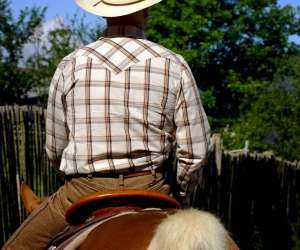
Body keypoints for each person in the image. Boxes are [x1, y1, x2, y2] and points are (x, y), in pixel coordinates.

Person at [3, 0, 210, 249]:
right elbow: (195, 152)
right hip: (151, 187)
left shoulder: (71, 65)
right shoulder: (173, 64)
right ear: (146, 10)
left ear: (103, 14)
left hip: (82, 191)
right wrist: (181, 195)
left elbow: (55, 149)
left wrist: (77, 176)